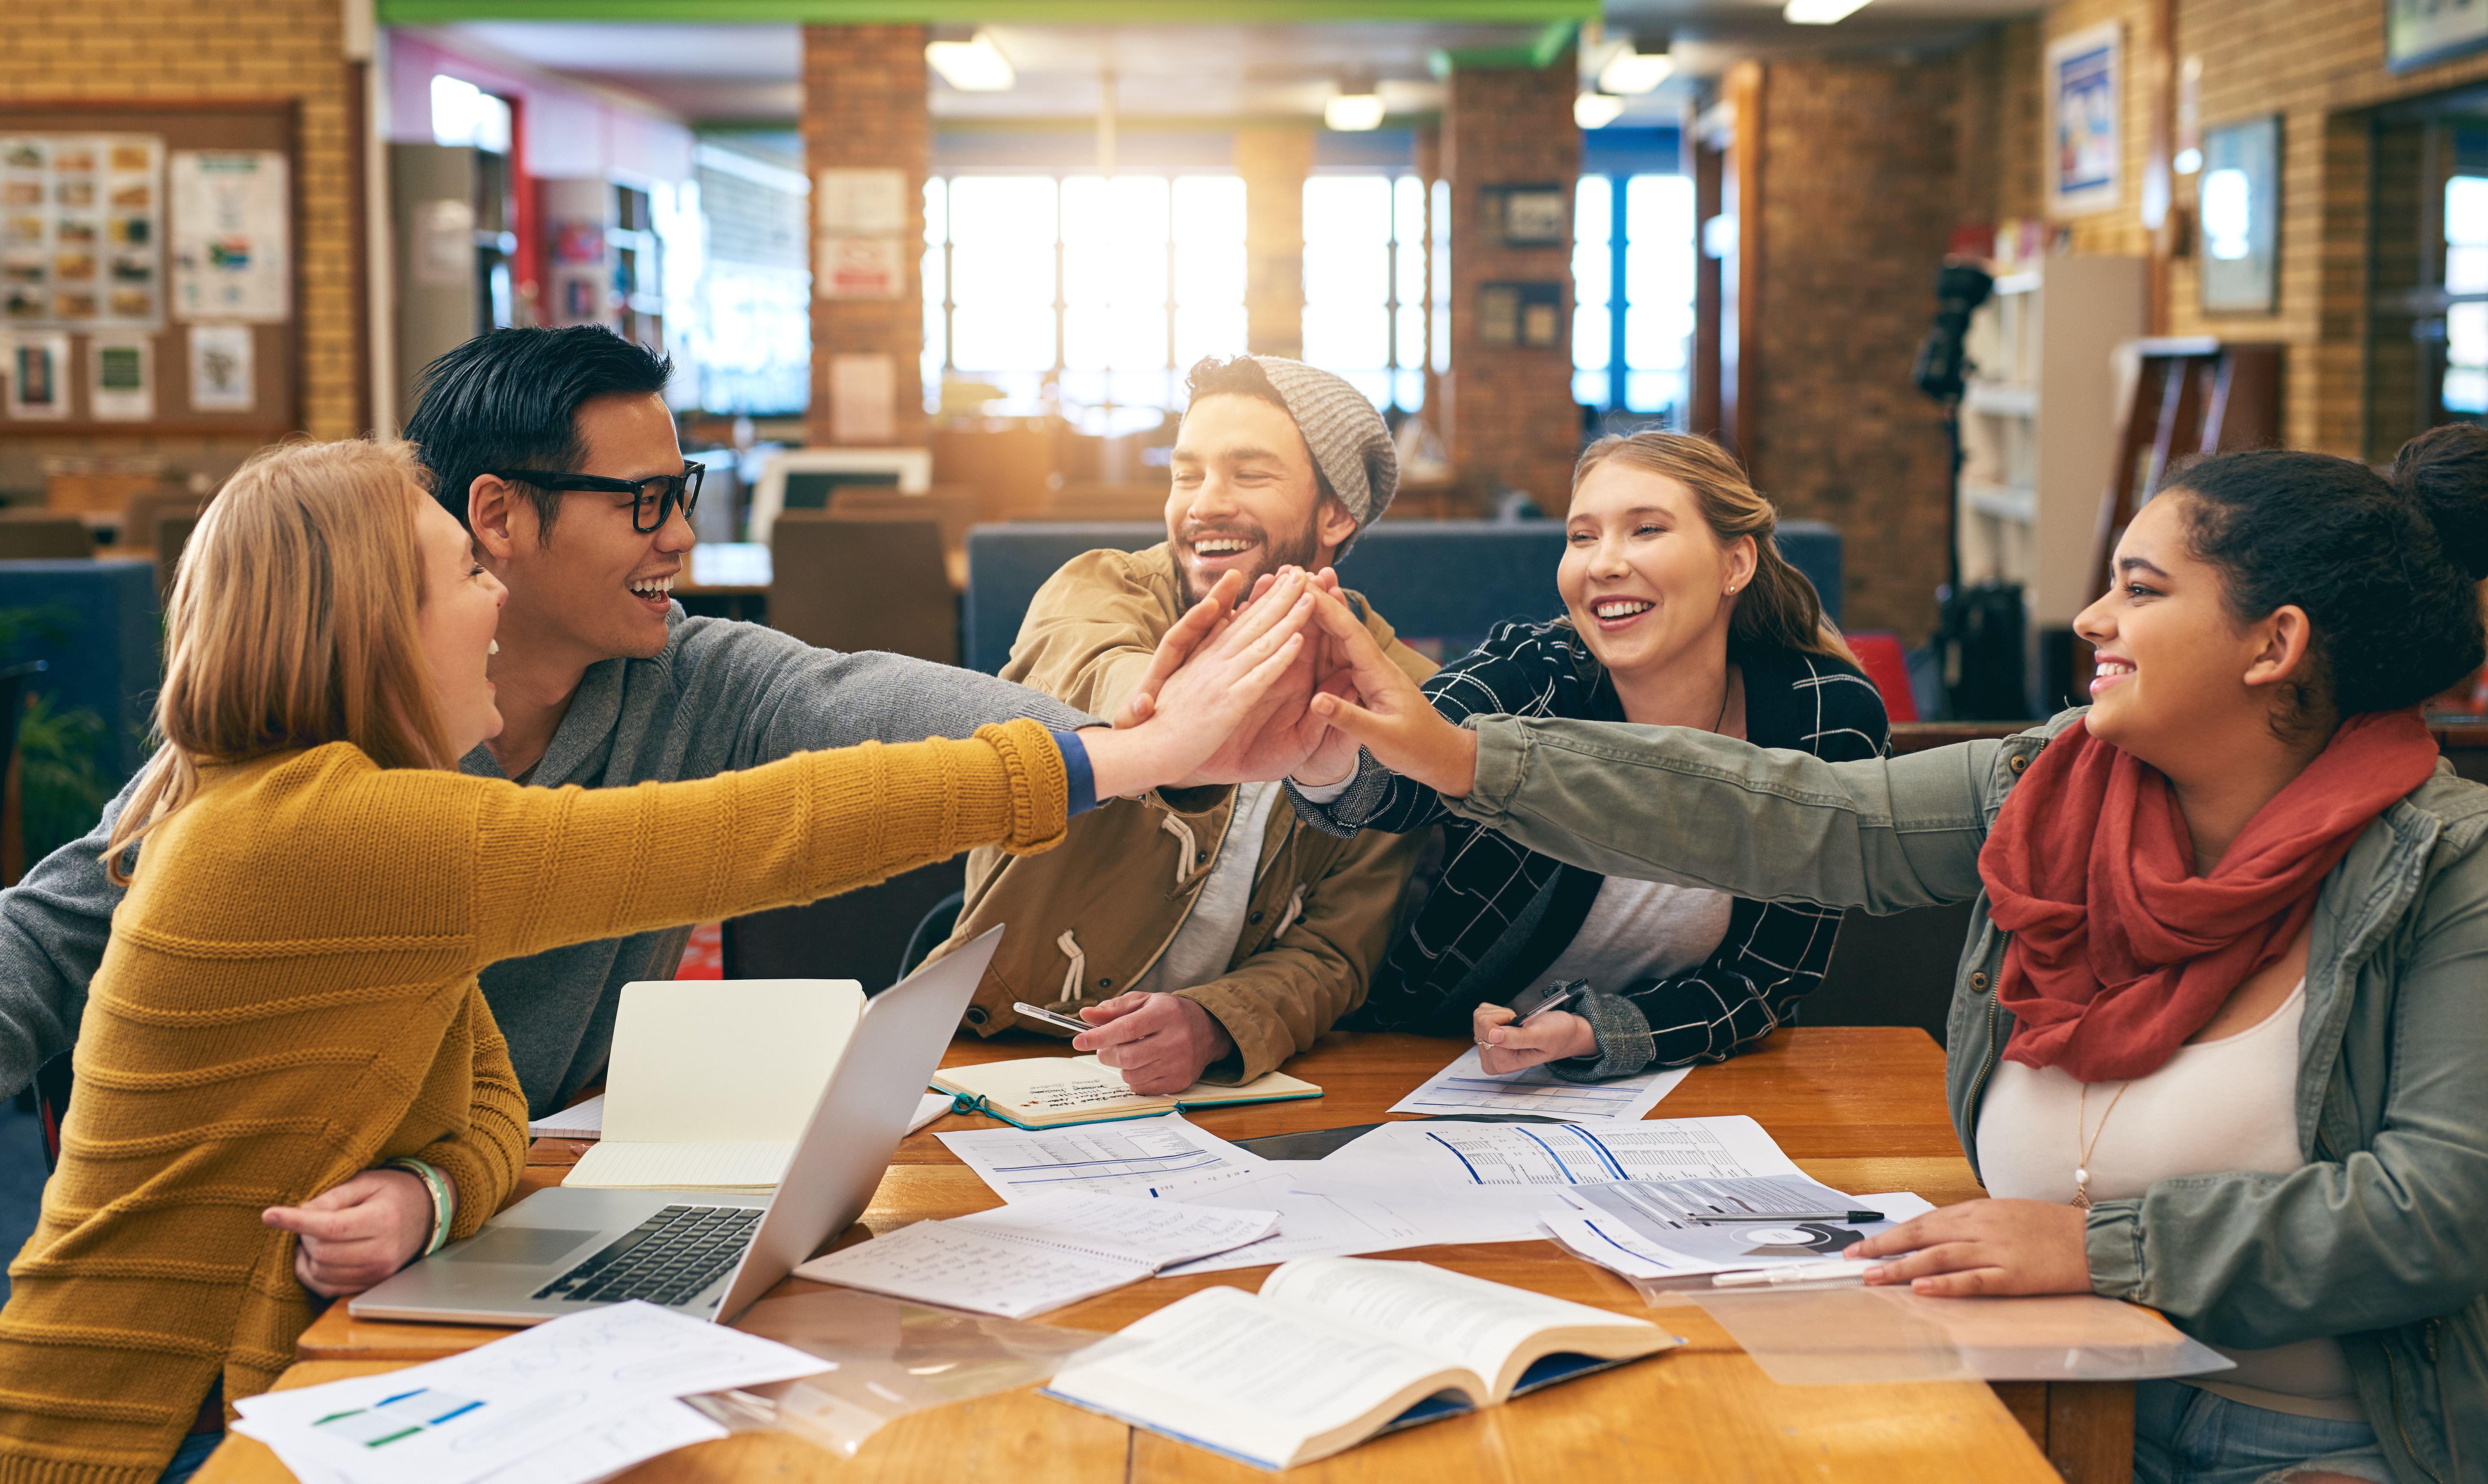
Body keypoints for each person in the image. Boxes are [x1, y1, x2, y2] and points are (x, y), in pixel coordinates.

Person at [0, 437, 1314, 1484]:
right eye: (465, 576)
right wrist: (1128, 757)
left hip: (276, 1398)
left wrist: (426, 1195)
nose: (494, 608)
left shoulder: (361, 819)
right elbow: (752, 836)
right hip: (137, 1439)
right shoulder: (333, 831)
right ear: (372, 627)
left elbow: (490, 1106)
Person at [1300, 425, 2488, 1484]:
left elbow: (2433, 1212)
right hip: (2038, 1379)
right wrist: (1462, 760)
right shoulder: (2048, 783)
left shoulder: (2446, 872)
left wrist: (2095, 1248)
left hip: (2319, 1439)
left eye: (2139, 588)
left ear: (2272, 643)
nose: (2089, 619)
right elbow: (1795, 816)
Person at [0, 325, 1116, 1117]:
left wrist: (1131, 744)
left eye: (685, 492)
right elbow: (52, 940)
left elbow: (876, 703)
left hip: (500, 1192)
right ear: (497, 515)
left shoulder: (688, 675)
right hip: (309, 1258)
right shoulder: (311, 739)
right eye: (643, 501)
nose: (678, 538)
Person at [1287, 430, 1886, 1078]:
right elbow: (1405, 776)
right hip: (1435, 1062)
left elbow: (1769, 976)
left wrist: (1593, 1033)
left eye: (1647, 529)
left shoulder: (1826, 717)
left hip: (1676, 1081)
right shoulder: (1535, 673)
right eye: (1582, 537)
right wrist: (1328, 757)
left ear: (1736, 564)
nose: (1604, 563)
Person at [926, 355, 1434, 1093]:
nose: (1204, 505)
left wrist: (1218, 1023)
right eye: (1187, 473)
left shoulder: (1398, 698)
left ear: (1336, 513)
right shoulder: (1098, 589)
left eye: (1249, 474)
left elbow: (1338, 948)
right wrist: (1173, 719)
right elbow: (1094, 674)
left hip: (1221, 1088)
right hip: (1005, 1047)